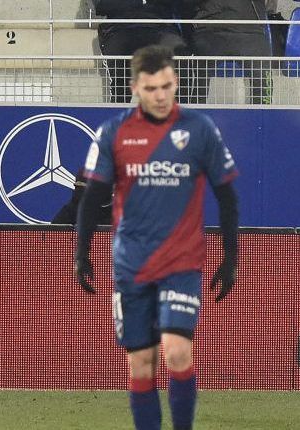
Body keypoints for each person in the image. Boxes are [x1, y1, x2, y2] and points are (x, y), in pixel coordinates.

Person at [73, 45, 239, 430]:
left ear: (175, 81)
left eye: (167, 86)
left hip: (182, 264)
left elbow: (227, 194)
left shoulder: (199, 129)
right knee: (140, 362)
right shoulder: (113, 133)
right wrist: (81, 253)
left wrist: (231, 257)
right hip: (131, 266)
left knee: (178, 352)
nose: (161, 96)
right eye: (151, 89)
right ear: (135, 88)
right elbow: (91, 196)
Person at [93, 0, 192, 104]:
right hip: (119, 28)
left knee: (180, 53)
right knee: (119, 64)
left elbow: (179, 4)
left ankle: (180, 113)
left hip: (160, 26)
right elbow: (101, 5)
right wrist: (141, 2)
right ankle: (118, 111)